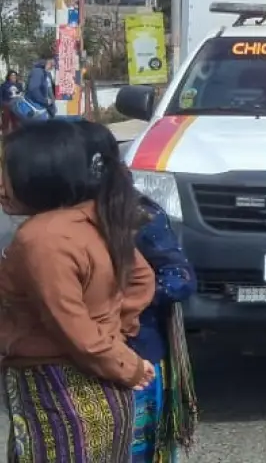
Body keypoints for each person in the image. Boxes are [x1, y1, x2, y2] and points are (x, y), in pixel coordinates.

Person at [0, 120, 157, 463]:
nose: (1, 184)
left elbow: (69, 322)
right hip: (103, 395)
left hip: (58, 394)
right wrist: (116, 332)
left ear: (45, 174)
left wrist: (121, 361)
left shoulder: (43, 237)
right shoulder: (95, 219)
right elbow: (141, 280)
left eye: (8, 172)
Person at [78, 120, 199, 463]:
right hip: (88, 355)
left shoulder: (139, 216)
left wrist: (124, 304)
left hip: (138, 354)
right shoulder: (62, 219)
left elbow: (181, 277)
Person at [1, 70, 22, 134]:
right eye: (12, 75)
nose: (14, 76)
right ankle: (5, 137)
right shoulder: (4, 85)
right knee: (5, 123)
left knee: (16, 123)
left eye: (15, 75)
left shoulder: (19, 85)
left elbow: (21, 94)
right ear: (9, 76)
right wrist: (3, 104)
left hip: (16, 106)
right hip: (7, 105)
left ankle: (16, 137)